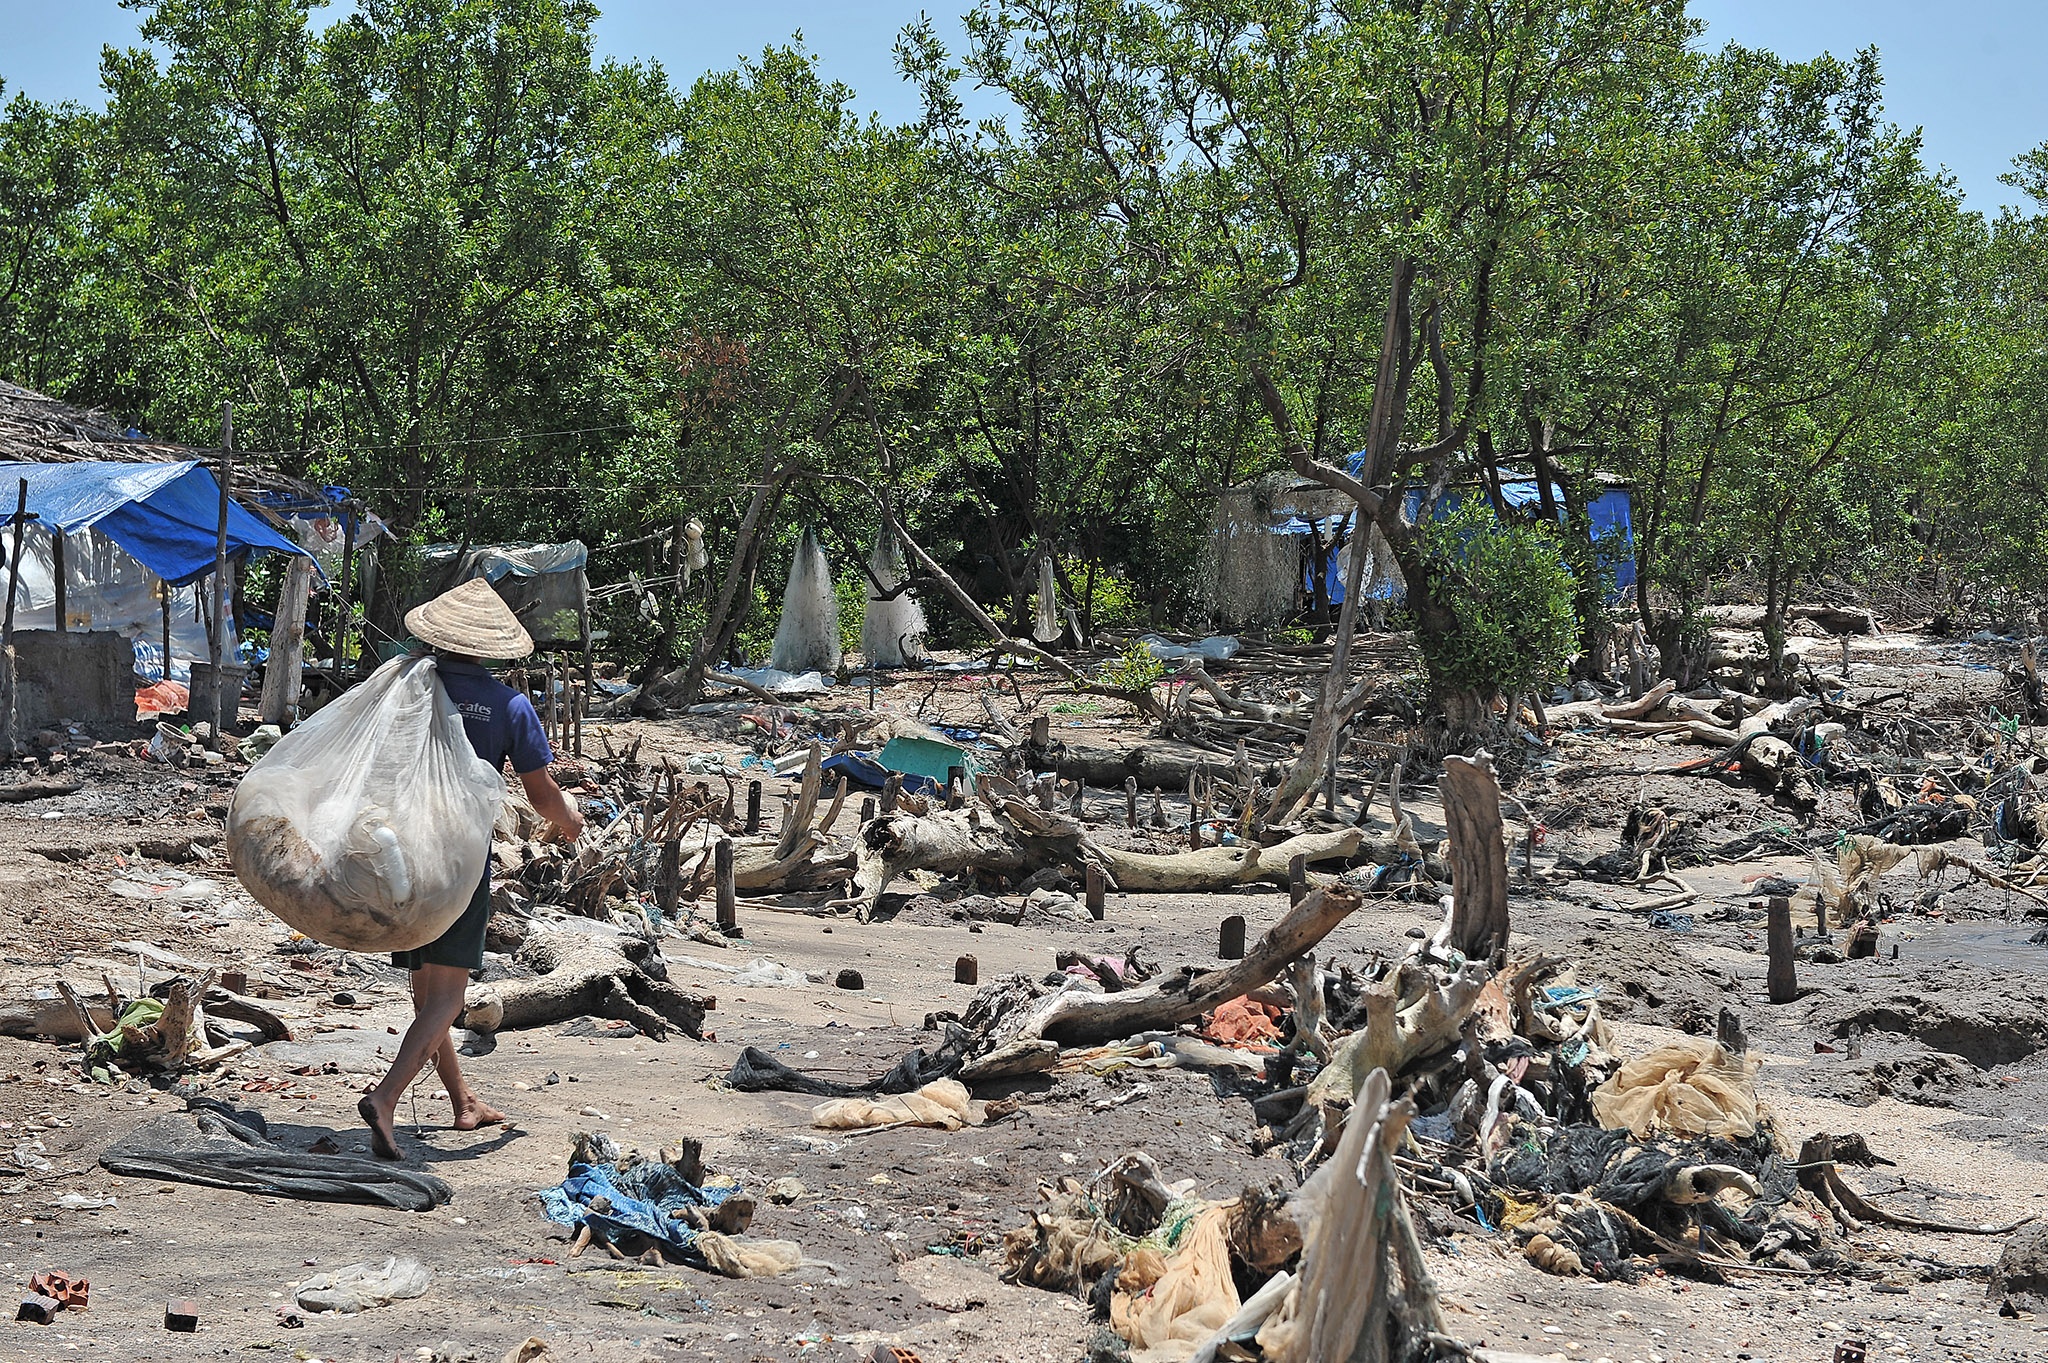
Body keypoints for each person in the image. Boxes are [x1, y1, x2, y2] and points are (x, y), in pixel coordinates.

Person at [357, 578, 585, 1160]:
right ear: (488, 647)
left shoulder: (405, 690)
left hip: (399, 857)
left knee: (427, 988)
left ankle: (463, 1102)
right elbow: (541, 794)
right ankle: (385, 1098)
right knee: (450, 997)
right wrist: (571, 821)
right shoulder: (510, 706)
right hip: (457, 864)